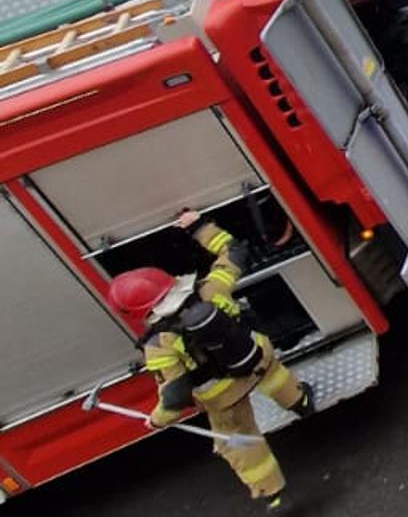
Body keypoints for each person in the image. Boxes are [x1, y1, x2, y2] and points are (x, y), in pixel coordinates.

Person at [106, 211, 315, 512]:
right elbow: (235, 252)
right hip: (257, 357)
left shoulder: (158, 344)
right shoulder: (209, 288)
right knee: (277, 379)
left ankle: (273, 493)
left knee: (241, 442)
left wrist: (157, 420)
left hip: (223, 395)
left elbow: (176, 395)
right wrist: (199, 227)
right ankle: (301, 402)